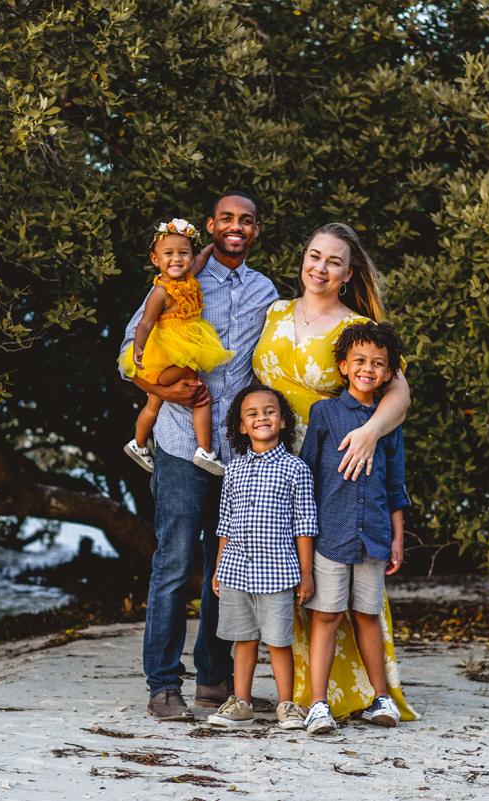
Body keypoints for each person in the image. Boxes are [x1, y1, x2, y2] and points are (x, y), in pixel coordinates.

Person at [119, 191, 279, 722]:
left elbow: (272, 366)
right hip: (179, 444)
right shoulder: (180, 276)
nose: (237, 227)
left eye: (246, 221)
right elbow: (128, 357)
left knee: (227, 567)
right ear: (210, 225)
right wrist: (163, 391)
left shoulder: (266, 292)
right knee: (175, 563)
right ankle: (163, 685)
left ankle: (214, 681)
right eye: (227, 219)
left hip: (236, 454)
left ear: (255, 230)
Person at [251, 221, 419, 723]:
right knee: (291, 576)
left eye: (333, 262)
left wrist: (369, 433)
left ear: (348, 274)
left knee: (352, 589)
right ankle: (299, 693)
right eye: (314, 255)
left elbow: (400, 392)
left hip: (338, 463)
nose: (319, 268)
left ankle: (359, 694)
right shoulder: (274, 312)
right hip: (272, 462)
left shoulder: (357, 328)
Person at [300, 321, 410, 734]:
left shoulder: (388, 422)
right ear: (344, 366)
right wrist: (305, 542)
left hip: (375, 537)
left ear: (388, 373)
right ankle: (317, 705)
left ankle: (380, 699)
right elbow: (308, 474)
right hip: (330, 536)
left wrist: (397, 537)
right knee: (326, 618)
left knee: (367, 616)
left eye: (379, 364)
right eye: (360, 360)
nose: (369, 368)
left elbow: (394, 484)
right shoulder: (325, 413)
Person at [207, 385, 314, 730]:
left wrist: (307, 574)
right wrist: (220, 566)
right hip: (236, 570)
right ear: (241, 427)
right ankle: (241, 704)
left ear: (282, 421)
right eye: (251, 414)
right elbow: (225, 522)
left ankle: (287, 705)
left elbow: (305, 524)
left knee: (279, 641)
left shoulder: (295, 469)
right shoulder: (234, 470)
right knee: (244, 639)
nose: (261, 418)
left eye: (269, 411)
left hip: (278, 573)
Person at [119, 218, 233, 476]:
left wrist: (214, 244)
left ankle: (137, 444)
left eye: (183, 253)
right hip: (161, 359)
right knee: (199, 392)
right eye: (168, 254)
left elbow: (203, 258)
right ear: (155, 259)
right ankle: (205, 449)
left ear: (191, 257)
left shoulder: (188, 279)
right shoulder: (160, 292)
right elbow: (145, 323)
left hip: (170, 355)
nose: (176, 259)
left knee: (153, 404)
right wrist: (137, 348)